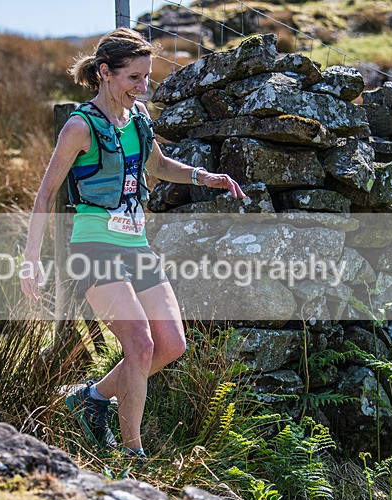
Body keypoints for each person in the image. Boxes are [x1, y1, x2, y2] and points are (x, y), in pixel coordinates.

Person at [20, 27, 245, 459]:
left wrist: (203, 177)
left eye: (146, 78)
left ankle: (91, 399)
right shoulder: (80, 126)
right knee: (140, 344)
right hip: (94, 248)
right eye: (134, 78)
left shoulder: (138, 117)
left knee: (171, 344)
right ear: (105, 72)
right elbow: (46, 194)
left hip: (136, 245)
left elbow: (157, 165)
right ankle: (131, 454)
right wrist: (31, 258)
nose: (143, 88)